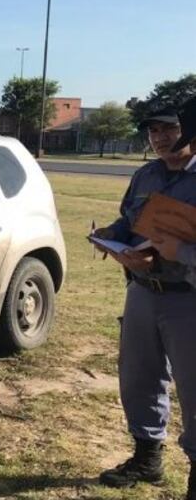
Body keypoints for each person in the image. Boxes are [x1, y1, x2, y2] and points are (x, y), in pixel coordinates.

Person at [92, 105, 196, 498]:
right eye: (153, 131)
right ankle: (147, 457)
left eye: (169, 129)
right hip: (142, 292)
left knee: (194, 389)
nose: (160, 138)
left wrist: (178, 252)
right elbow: (129, 221)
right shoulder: (145, 175)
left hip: (187, 298)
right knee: (139, 377)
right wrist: (113, 237)